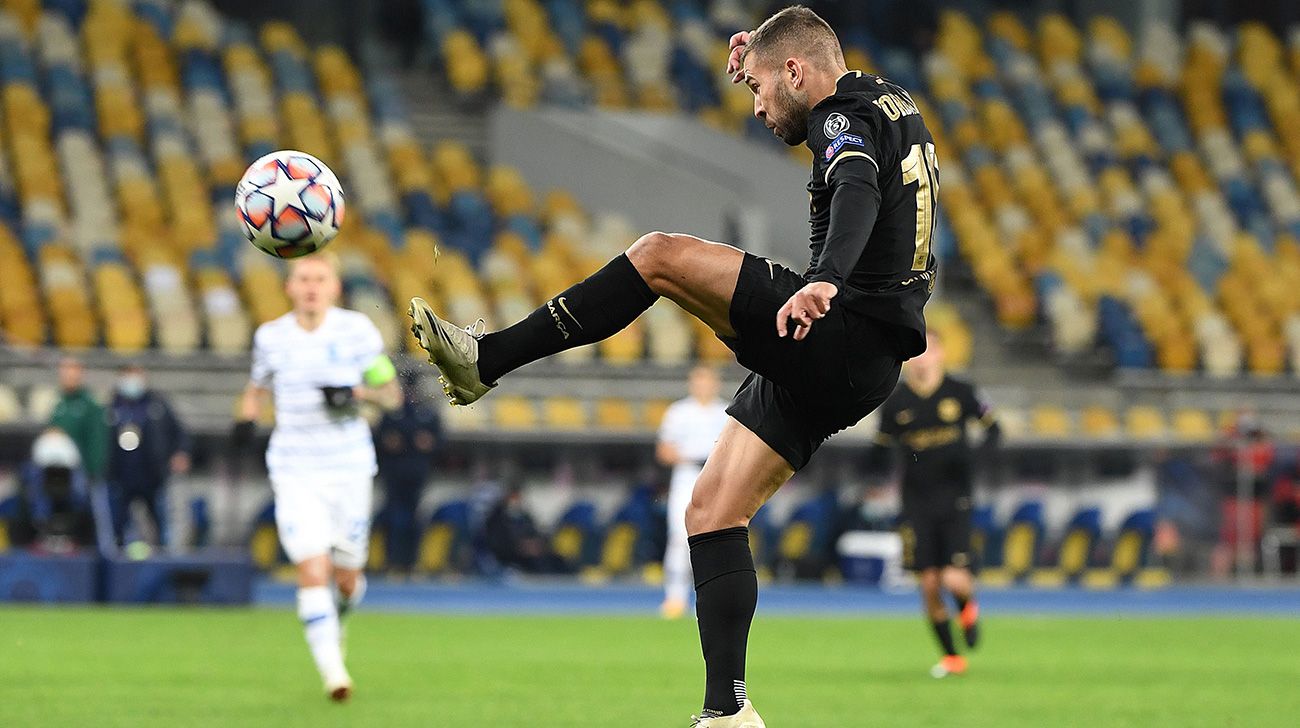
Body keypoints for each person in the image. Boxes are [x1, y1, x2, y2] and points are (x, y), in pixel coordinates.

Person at [407, 7, 937, 724]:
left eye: (757, 88)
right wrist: (764, 46)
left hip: (842, 329)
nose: (754, 107)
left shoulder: (837, 119)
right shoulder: (884, 99)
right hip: (864, 361)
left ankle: (487, 358)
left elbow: (857, 189)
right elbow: (818, 65)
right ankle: (729, 713)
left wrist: (825, 277)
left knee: (656, 256)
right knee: (711, 511)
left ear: (796, 73)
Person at [234, 252, 400, 702]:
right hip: (295, 469)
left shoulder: (357, 332)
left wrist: (354, 394)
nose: (311, 286)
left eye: (319, 279)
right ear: (289, 287)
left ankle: (339, 621)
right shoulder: (271, 337)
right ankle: (334, 674)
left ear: (334, 287)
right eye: (303, 278)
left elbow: (391, 394)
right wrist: (246, 421)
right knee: (312, 567)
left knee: (347, 577)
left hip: (348, 468)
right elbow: (257, 389)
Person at [872, 330, 999, 678]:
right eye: (915, 352)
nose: (921, 357)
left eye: (928, 350)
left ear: (941, 353)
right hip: (915, 503)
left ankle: (967, 607)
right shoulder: (897, 403)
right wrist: (873, 478)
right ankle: (952, 658)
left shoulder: (962, 392)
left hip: (955, 498)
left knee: (954, 579)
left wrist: (972, 460)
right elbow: (879, 451)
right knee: (929, 583)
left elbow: (994, 429)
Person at [656, 365, 730, 619]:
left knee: (719, 539)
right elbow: (664, 451)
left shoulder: (726, 412)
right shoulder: (679, 412)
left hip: (717, 479)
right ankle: (675, 598)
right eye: (699, 381)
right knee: (679, 538)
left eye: (708, 381)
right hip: (687, 476)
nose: (704, 386)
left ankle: (715, 599)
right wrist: (691, 458)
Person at [106, 364, 191, 548]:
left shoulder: (157, 404)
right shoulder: (112, 407)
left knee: (159, 519)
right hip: (122, 475)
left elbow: (179, 432)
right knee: (118, 521)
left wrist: (181, 452)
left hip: (152, 474)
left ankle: (162, 555)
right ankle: (117, 558)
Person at [375, 373, 442, 577]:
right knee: (393, 519)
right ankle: (392, 563)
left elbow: (439, 441)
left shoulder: (427, 414)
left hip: (417, 474)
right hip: (395, 473)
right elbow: (380, 438)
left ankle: (411, 563)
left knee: (414, 520)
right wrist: (388, 442)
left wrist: (428, 443)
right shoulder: (393, 412)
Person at [10, 428, 95, 552]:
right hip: (40, 503)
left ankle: (75, 535)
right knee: (34, 494)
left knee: (81, 495)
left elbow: (80, 490)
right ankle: (41, 523)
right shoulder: (36, 470)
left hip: (72, 499)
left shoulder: (70, 456)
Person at [50, 357, 108, 482]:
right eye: (65, 370)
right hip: (56, 471)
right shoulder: (57, 403)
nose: (69, 375)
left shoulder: (90, 404)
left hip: (81, 472)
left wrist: (93, 472)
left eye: (73, 370)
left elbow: (96, 441)